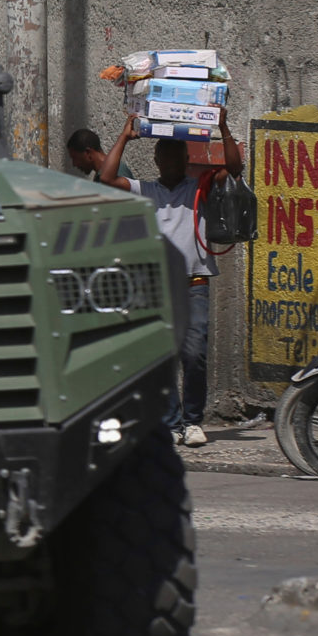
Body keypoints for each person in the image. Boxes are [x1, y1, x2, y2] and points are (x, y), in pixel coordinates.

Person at [97, 108, 245, 447]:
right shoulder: (145, 189)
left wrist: (222, 124)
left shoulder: (199, 187)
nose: (174, 164)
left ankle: (193, 421)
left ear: (185, 159)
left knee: (194, 354)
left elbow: (234, 168)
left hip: (194, 283)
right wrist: (124, 136)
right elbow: (106, 178)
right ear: (158, 159)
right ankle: (172, 423)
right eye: (168, 157)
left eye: (179, 157)